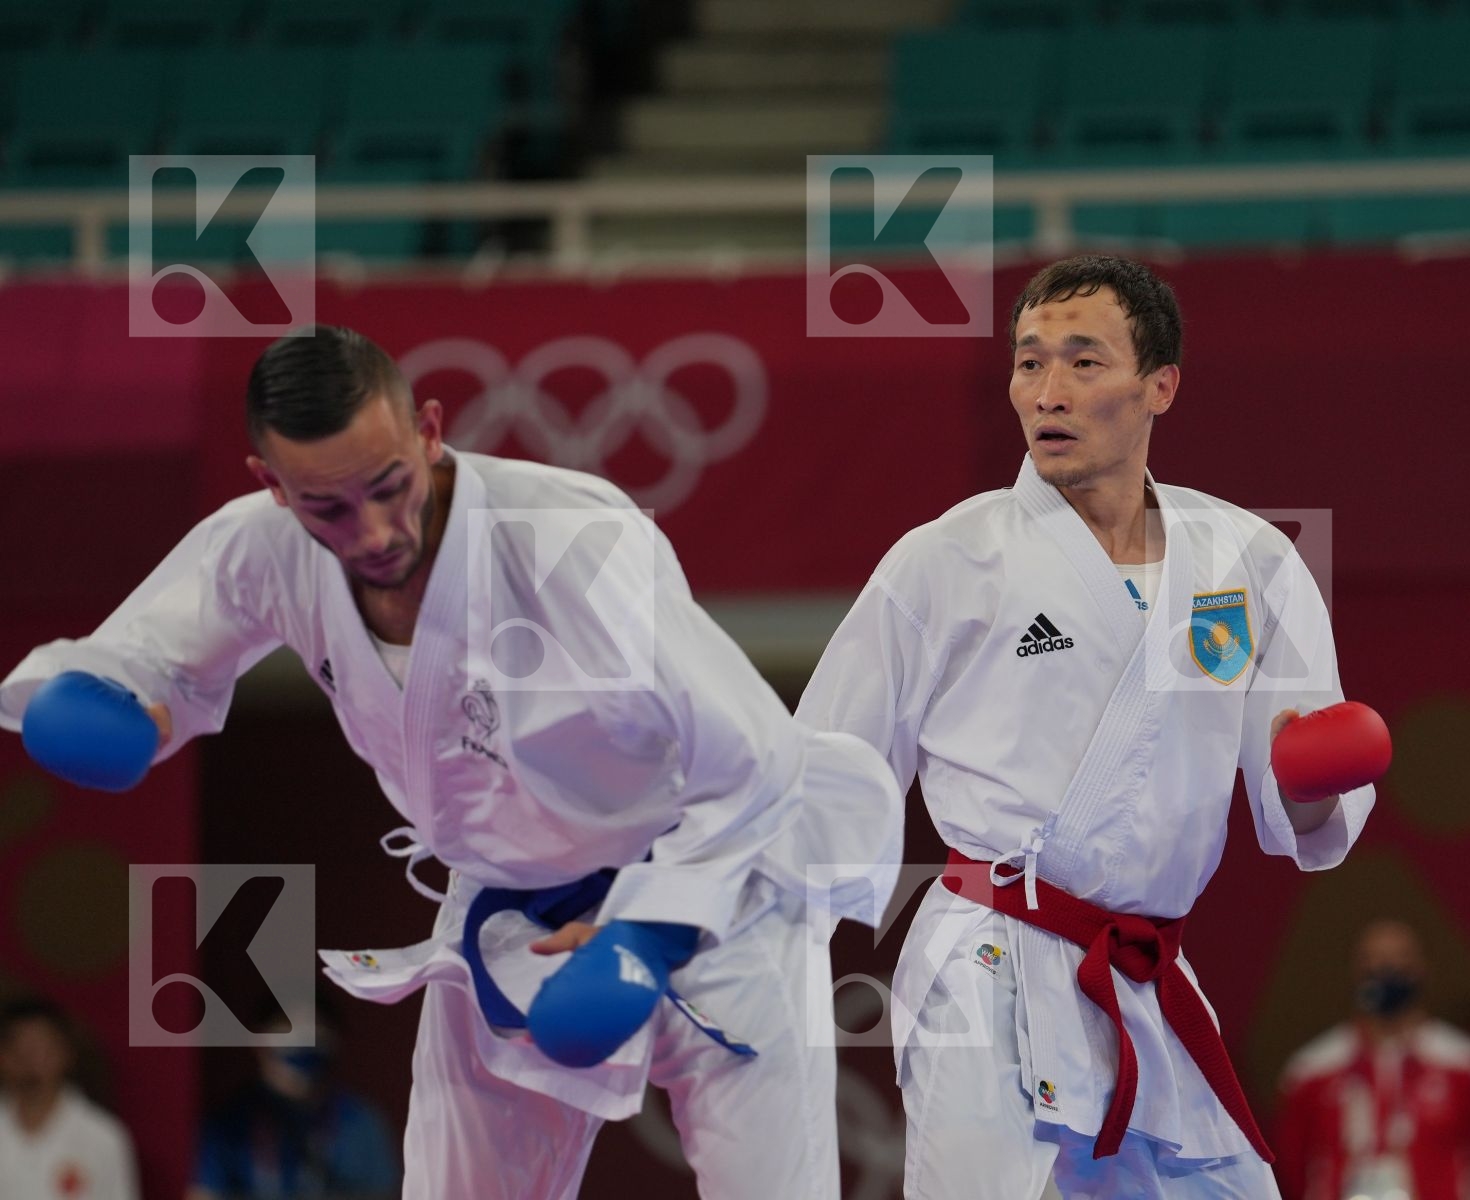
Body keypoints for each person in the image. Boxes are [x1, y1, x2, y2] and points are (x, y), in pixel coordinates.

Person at [0, 325, 903, 1199]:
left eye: (391, 485)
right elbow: (145, 658)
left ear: (429, 430)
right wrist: (100, 700)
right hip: (511, 907)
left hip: (712, 882)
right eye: (328, 508)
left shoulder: (568, 539)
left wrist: (648, 933)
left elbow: (753, 757)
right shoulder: (261, 550)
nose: (374, 530)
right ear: (271, 484)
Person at [797, 254, 1377, 1199]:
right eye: (1029, 363)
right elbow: (823, 775)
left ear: (1161, 387)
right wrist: (710, 937)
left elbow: (1305, 827)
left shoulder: (1250, 561)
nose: (1047, 392)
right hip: (989, 963)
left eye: (1082, 361)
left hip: (1145, 973)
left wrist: (1315, 783)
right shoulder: (951, 558)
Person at [1274, 920, 1470, 1200]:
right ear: (1356, 971)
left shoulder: (1467, 1067)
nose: (1387, 969)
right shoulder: (1311, 1072)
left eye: (1400, 958)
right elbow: (1291, 1171)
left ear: (1422, 968)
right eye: (1374, 960)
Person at [189, 994, 400, 1199]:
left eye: (315, 1029)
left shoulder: (362, 1124)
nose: (304, 1040)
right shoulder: (228, 1126)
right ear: (260, 1041)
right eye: (289, 1028)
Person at [0, 997, 140, 1200]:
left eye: (39, 1047)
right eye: (18, 1047)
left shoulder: (103, 1137)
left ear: (65, 1052)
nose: (27, 1058)